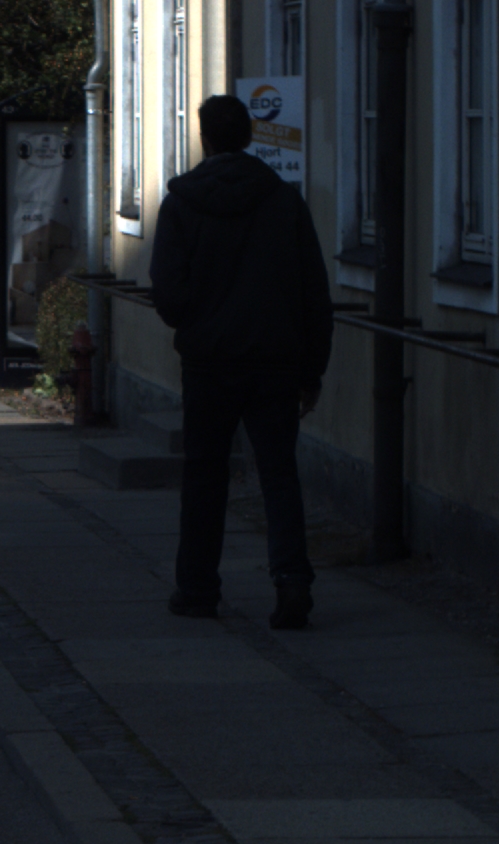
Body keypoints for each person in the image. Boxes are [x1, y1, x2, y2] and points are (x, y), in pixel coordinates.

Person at [149, 94, 333, 630]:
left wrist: (200, 317)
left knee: (204, 475)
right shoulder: (283, 201)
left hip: (209, 362)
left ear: (204, 138)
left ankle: (197, 588)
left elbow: (170, 296)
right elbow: (313, 292)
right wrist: (312, 370)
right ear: (250, 136)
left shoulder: (181, 204)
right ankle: (292, 580)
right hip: (274, 360)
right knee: (278, 474)